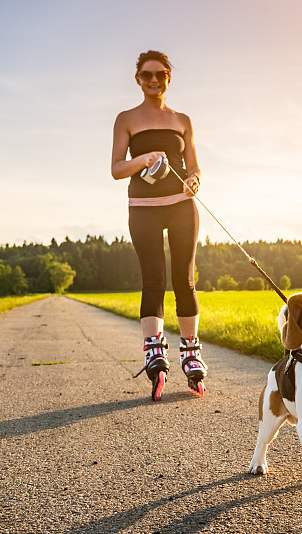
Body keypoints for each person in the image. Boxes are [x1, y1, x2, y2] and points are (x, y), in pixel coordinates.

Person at [110, 50, 207, 400]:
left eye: (161, 74)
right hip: (143, 207)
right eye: (147, 74)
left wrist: (194, 181)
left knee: (185, 279)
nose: (154, 80)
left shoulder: (182, 120)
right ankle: (155, 355)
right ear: (138, 78)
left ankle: (191, 355)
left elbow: (194, 166)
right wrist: (143, 159)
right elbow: (116, 169)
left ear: (169, 77)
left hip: (182, 206)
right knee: (154, 280)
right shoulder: (126, 119)